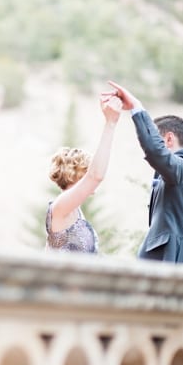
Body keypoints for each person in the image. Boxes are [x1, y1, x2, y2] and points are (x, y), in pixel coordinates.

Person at [103, 80, 183, 263]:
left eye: (157, 137)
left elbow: (156, 152)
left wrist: (136, 108)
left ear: (169, 139)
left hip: (171, 272)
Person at [45, 96, 122, 253]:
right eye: (86, 171)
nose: (91, 175)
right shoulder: (60, 206)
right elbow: (96, 176)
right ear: (74, 174)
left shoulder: (75, 209)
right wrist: (110, 123)